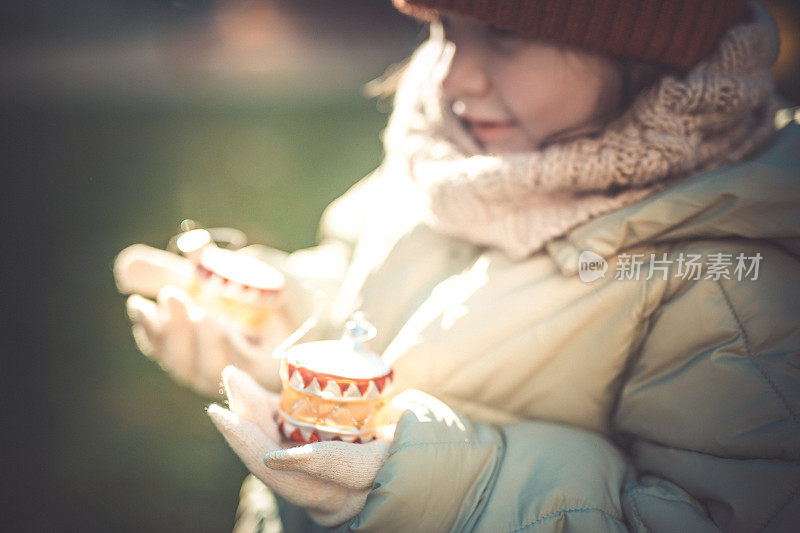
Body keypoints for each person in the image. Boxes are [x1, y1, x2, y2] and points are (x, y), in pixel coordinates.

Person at [114, 0, 800, 531]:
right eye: (445, 29)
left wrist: (427, 478)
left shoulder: (728, 285)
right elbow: (363, 280)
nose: (452, 75)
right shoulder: (446, 157)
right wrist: (283, 323)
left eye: (504, 32)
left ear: (642, 47)